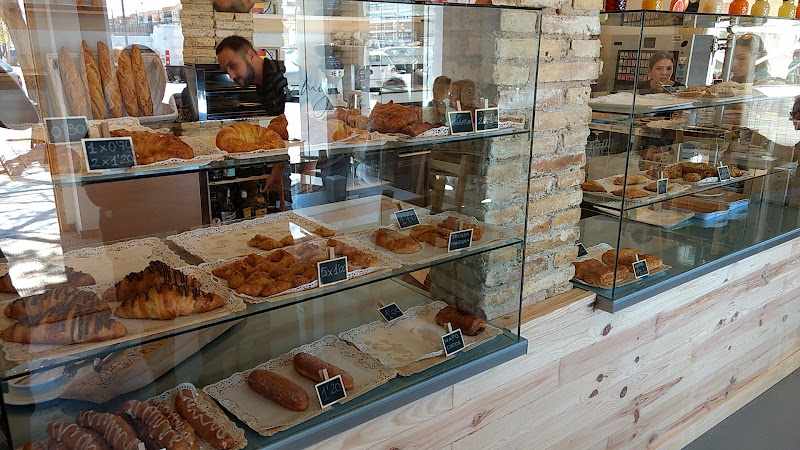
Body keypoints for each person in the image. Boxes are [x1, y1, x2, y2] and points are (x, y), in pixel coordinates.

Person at [216, 36, 289, 116]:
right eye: (226, 71)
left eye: (233, 65)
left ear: (250, 55)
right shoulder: (262, 85)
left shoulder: (281, 79)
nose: (231, 76)